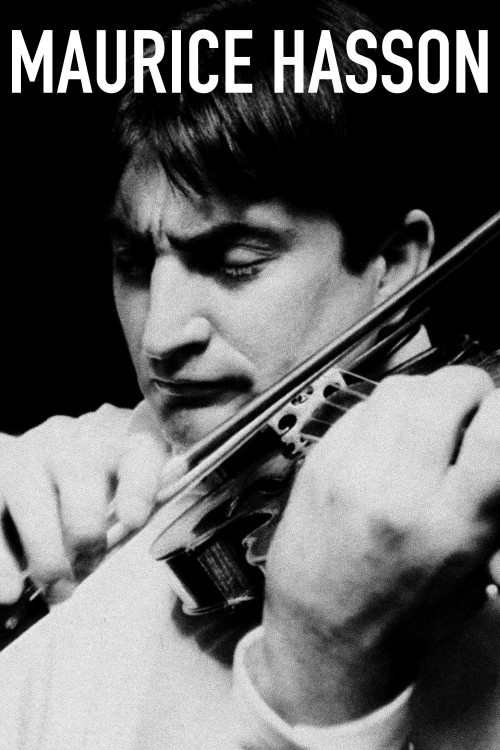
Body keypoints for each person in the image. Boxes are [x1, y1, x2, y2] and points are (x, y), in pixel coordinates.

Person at [1, 2, 499, 748]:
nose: (161, 336)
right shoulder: (100, 482)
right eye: (133, 263)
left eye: (236, 263)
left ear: (394, 264)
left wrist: (327, 671)